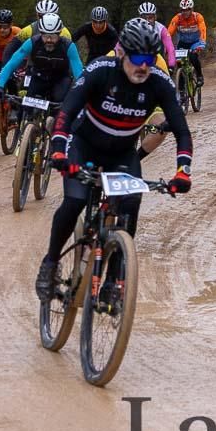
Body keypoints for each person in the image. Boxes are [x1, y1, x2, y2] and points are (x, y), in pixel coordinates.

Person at [37, 19, 192, 299]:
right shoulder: (100, 71)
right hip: (83, 145)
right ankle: (50, 263)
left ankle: (113, 281)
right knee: (74, 201)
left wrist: (183, 171)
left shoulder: (159, 82)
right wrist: (59, 149)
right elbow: (67, 111)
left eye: (149, 58)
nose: (143, 66)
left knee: (131, 203)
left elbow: (181, 130)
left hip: (121, 153)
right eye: (137, 57)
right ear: (121, 53)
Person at [0, 13, 83, 125]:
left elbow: (78, 73)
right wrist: (0, 85)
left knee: (59, 111)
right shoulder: (32, 42)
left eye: (53, 36)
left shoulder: (68, 46)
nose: (49, 40)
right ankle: (25, 131)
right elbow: (12, 64)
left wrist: (82, 93)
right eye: (45, 36)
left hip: (60, 80)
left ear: (59, 34)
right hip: (39, 77)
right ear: (40, 33)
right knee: (26, 108)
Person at [166, 0, 207, 86]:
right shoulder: (177, 18)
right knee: (179, 64)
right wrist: (166, 46)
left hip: (195, 43)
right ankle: (181, 90)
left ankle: (199, 75)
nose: (185, 12)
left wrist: (202, 43)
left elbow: (203, 30)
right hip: (182, 43)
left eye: (188, 10)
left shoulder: (198, 17)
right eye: (183, 10)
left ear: (191, 9)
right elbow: (168, 33)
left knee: (193, 57)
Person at [137, 1, 176, 69]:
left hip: (157, 58)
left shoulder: (161, 29)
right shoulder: (133, 28)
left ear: (155, 17)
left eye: (150, 17)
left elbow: (170, 48)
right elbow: (120, 45)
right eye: (144, 18)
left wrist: (171, 65)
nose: (147, 21)